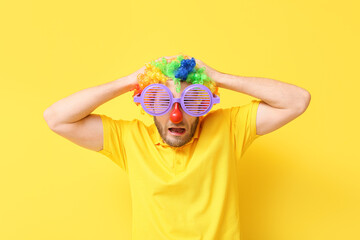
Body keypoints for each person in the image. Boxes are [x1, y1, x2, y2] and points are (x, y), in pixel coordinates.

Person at [43, 54, 311, 240]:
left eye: (191, 100)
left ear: (205, 104)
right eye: (161, 100)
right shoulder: (128, 140)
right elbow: (56, 118)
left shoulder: (228, 128)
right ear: (146, 105)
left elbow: (297, 100)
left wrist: (218, 76)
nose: (176, 114)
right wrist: (130, 80)